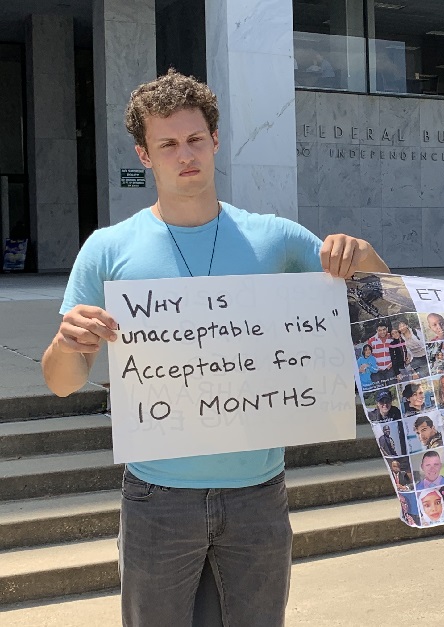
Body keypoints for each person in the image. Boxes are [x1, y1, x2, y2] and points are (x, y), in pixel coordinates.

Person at [40, 70, 390, 627]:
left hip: (257, 494)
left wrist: (363, 256)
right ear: (144, 154)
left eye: (195, 139)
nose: (186, 155)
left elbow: (383, 303)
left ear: (216, 141)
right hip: (157, 496)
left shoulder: (275, 237)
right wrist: (66, 342)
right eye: (168, 144)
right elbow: (61, 381)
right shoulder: (108, 250)